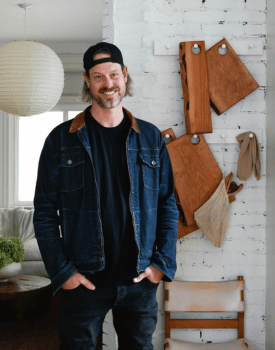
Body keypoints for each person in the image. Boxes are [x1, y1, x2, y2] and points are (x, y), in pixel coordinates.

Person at [33, 42, 179, 350]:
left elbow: (167, 204)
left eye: (113, 74)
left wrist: (160, 265)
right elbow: (45, 213)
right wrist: (64, 272)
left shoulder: (151, 138)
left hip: (139, 280)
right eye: (98, 77)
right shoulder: (61, 140)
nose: (108, 83)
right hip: (82, 280)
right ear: (87, 81)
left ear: (125, 75)